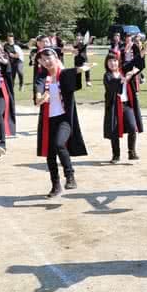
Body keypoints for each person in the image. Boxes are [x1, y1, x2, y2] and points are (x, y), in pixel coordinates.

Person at [34, 48, 89, 198]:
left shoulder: (63, 74)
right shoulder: (41, 76)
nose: (46, 62)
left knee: (59, 144)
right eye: (43, 60)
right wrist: (40, 99)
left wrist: (83, 68)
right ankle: (55, 185)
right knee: (50, 154)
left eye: (49, 58)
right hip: (48, 120)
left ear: (56, 58)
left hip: (64, 119)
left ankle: (70, 176)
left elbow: (75, 74)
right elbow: (37, 96)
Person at [103, 51, 143, 162]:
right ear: (106, 63)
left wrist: (142, 53)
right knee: (114, 131)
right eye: (110, 61)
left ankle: (132, 152)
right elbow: (113, 85)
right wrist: (126, 77)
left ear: (118, 62)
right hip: (114, 106)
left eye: (115, 61)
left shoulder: (123, 70)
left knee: (132, 127)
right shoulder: (107, 76)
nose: (113, 63)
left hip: (126, 105)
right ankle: (116, 155)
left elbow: (135, 63)